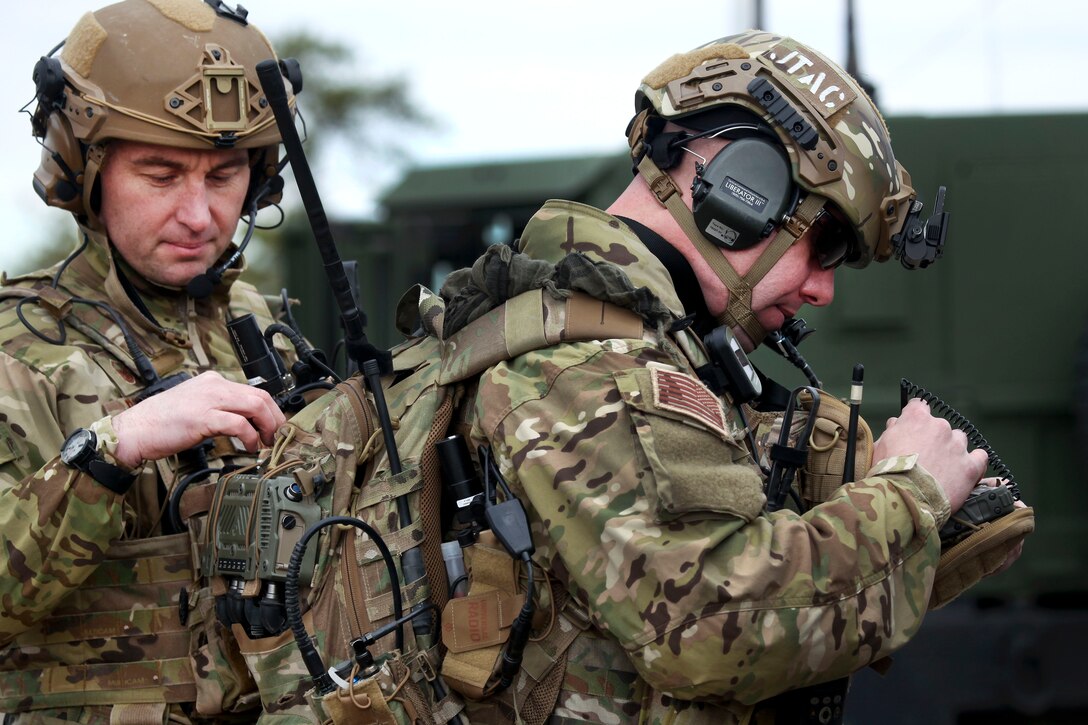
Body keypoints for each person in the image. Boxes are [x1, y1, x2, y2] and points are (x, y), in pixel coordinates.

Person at [425, 31, 1033, 723]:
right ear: (744, 186)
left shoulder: (628, 341)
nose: (823, 290)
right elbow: (708, 627)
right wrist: (910, 496)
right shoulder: (585, 364)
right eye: (825, 242)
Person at [0, 0, 299, 721]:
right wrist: (112, 447)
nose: (199, 215)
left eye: (224, 176)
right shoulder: (18, 352)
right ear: (86, 171)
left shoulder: (256, 326)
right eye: (161, 175)